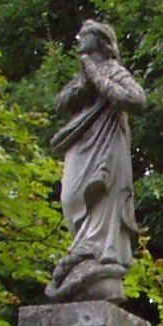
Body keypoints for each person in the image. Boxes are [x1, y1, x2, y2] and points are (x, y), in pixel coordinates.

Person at [47, 20, 144, 302]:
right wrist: (85, 81)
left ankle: (101, 253)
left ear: (100, 41)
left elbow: (137, 100)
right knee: (70, 197)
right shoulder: (83, 76)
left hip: (106, 148)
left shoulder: (114, 71)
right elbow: (61, 103)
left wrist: (98, 78)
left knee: (103, 199)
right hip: (82, 144)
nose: (79, 39)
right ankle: (83, 249)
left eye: (85, 36)